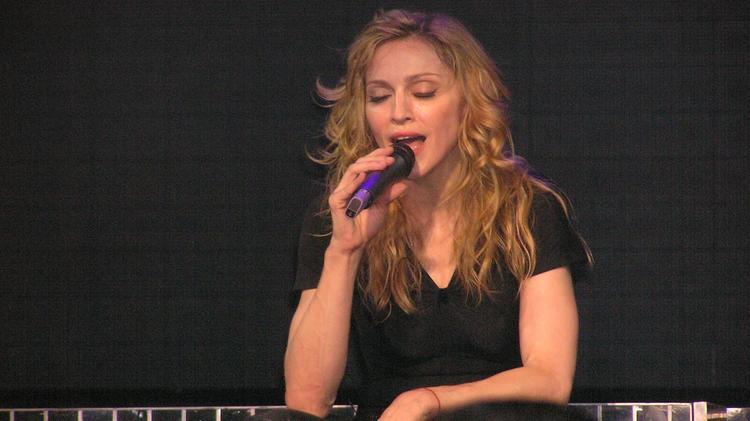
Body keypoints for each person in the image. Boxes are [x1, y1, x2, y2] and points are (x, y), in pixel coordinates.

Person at [284, 9, 592, 421]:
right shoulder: (339, 215)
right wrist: (345, 251)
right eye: (379, 97)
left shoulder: (527, 208)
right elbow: (306, 400)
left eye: (423, 93)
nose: (399, 112)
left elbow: (549, 379)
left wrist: (428, 400)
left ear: (467, 103)